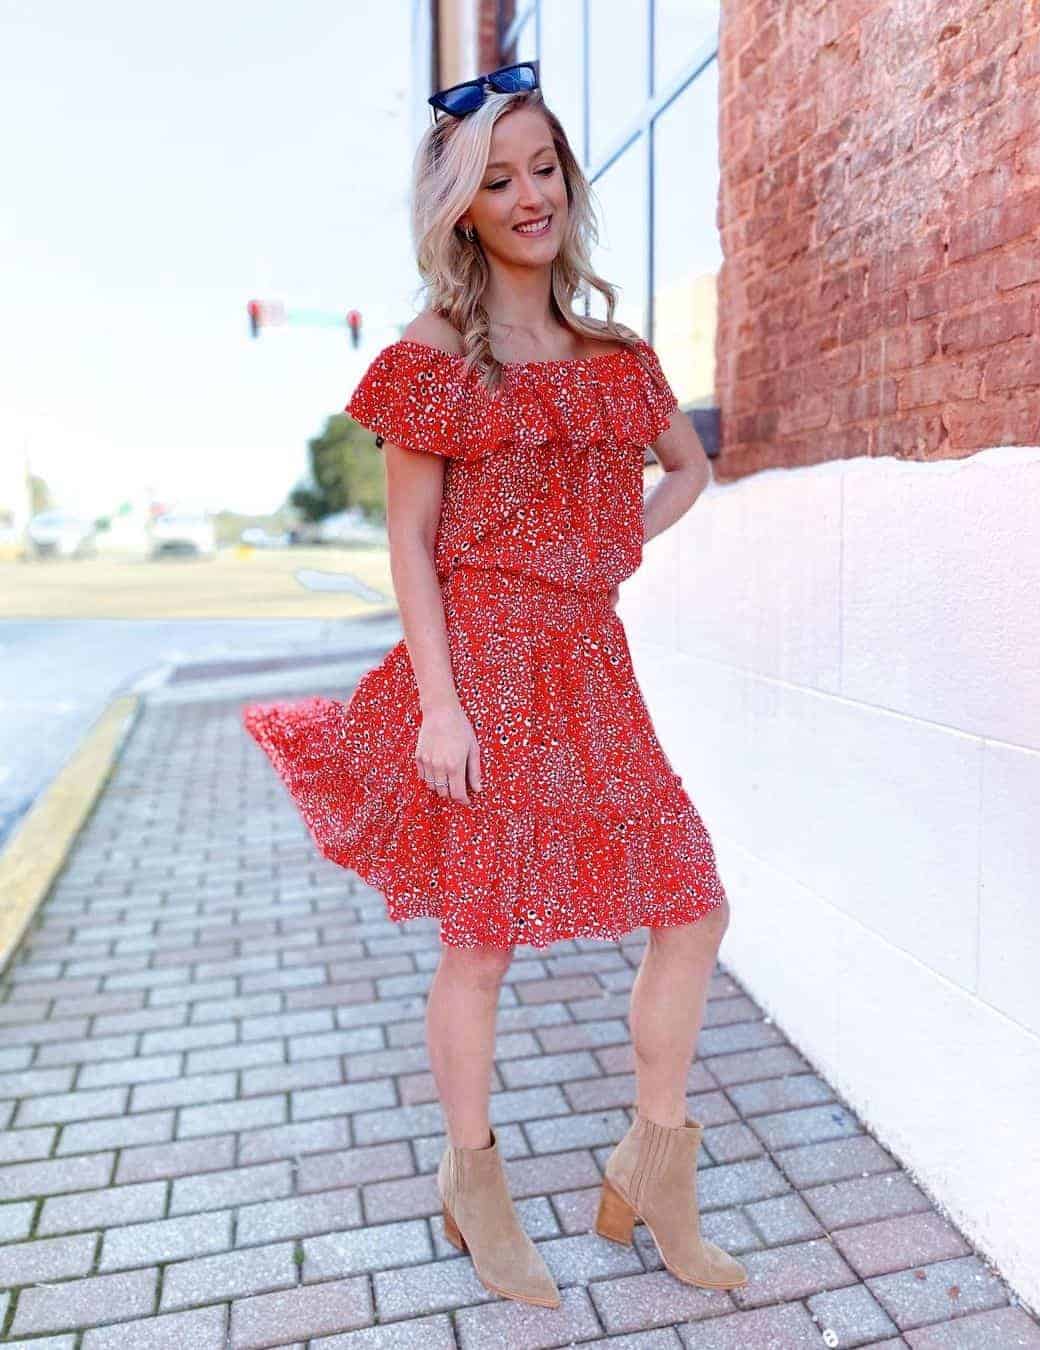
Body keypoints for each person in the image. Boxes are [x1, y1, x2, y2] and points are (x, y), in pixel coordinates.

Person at [243, 61, 748, 1311]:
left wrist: (618, 540)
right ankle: (473, 1182)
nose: (531, 195)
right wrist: (439, 703)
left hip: (590, 663)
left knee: (690, 901)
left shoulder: (616, 356)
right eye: (500, 178)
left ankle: (654, 1161)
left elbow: (683, 469)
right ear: (463, 207)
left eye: (545, 168)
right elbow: (408, 542)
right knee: (482, 942)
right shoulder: (432, 355)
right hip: (479, 665)